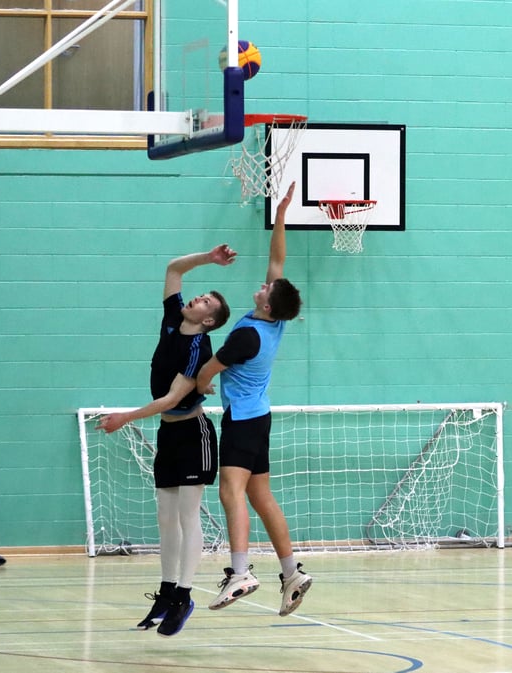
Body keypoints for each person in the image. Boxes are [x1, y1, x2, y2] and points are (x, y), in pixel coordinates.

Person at [98, 244, 236, 637]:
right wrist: (209, 258)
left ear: (209, 320)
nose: (197, 297)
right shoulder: (174, 319)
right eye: (201, 294)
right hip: (169, 433)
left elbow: (171, 399)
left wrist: (124, 418)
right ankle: (167, 590)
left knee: (187, 516)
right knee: (165, 518)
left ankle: (185, 596)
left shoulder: (198, 349)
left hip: (194, 433)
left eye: (205, 300)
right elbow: (174, 268)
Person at [196, 181, 313, 617]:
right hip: (259, 417)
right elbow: (278, 259)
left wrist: (199, 387)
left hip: (243, 420)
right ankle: (291, 572)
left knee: (231, 491)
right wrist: (280, 214)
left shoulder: (247, 334)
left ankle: (241, 571)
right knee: (261, 496)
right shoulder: (272, 320)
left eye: (265, 290)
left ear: (267, 306)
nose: (262, 286)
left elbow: (209, 370)